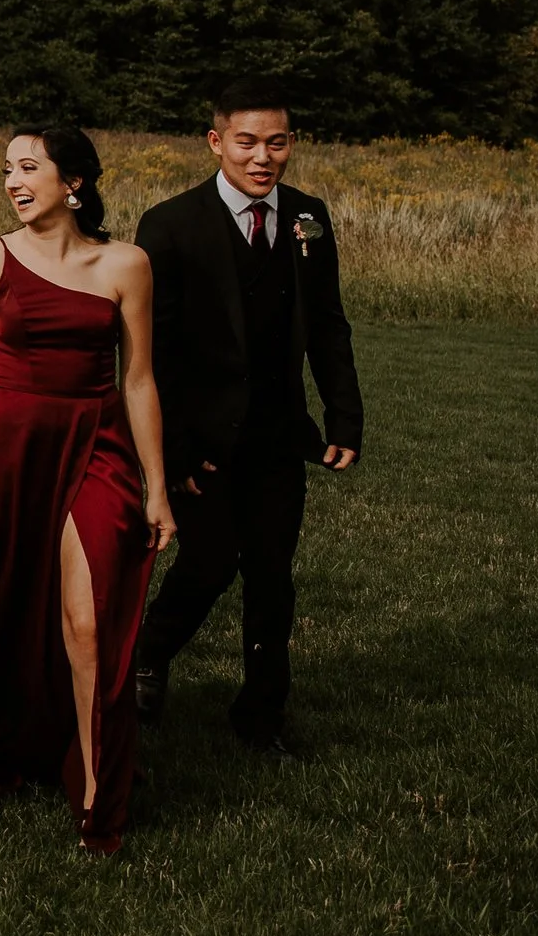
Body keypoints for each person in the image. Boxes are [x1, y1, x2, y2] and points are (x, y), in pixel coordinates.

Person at [0, 127, 176, 854]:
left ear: (76, 182)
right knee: (4, 607)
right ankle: (3, 748)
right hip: (12, 448)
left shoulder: (127, 263)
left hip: (98, 446)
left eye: (28, 166)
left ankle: (99, 789)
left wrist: (157, 487)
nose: (12, 180)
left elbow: (140, 379)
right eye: (7, 168)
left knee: (90, 617)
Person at [134, 77, 365, 755]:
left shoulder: (308, 216)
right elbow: (153, 353)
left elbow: (327, 325)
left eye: (277, 141)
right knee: (207, 563)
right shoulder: (170, 224)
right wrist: (173, 449)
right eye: (247, 141)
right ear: (217, 142)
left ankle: (262, 715)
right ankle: (148, 652)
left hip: (277, 433)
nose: (263, 155)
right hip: (200, 440)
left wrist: (343, 416)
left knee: (272, 574)